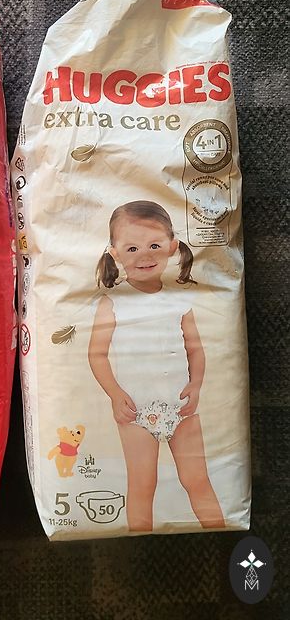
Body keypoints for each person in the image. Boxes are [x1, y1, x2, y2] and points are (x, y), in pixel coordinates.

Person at [88, 200, 225, 532]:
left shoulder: (179, 300)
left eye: (154, 245)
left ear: (172, 246)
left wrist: (195, 385)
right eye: (132, 248)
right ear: (115, 253)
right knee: (142, 484)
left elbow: (195, 349)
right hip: (136, 410)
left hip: (180, 407)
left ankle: (220, 533)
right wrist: (115, 394)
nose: (144, 255)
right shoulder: (113, 302)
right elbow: (97, 355)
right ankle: (140, 547)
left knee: (197, 479)